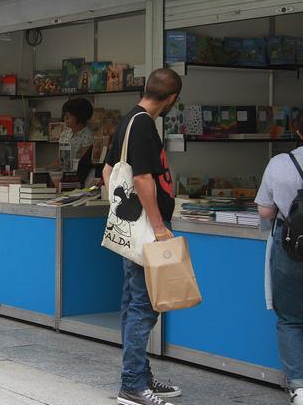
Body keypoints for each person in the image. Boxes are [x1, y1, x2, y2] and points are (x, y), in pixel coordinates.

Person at [102, 68, 183, 405]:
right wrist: (159, 227)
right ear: (172, 99)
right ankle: (133, 383)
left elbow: (108, 171)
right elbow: (145, 179)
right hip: (147, 230)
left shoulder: (127, 121)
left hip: (130, 229)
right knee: (146, 306)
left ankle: (139, 374)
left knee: (132, 302)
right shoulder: (146, 125)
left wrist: (122, 210)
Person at [256, 111, 303, 405]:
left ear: (297, 131)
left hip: (292, 249)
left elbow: (265, 211)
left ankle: (299, 387)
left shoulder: (281, 163)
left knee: (290, 318)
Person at [54, 98, 95, 184]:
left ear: (80, 116)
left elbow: (81, 162)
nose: (65, 118)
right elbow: (59, 161)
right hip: (62, 176)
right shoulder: (65, 133)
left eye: (69, 116)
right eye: (64, 115)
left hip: (79, 178)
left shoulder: (88, 136)